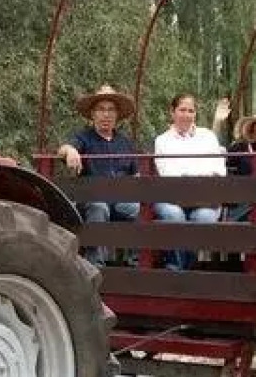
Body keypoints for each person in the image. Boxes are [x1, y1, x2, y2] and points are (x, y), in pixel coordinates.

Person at [57, 84, 142, 263]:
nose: (106, 114)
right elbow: (63, 149)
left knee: (140, 210)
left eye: (111, 110)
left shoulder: (125, 142)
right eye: (101, 109)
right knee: (99, 207)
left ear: (117, 115)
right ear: (93, 114)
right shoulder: (83, 137)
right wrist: (71, 151)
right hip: (92, 198)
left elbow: (136, 175)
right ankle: (96, 267)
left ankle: (136, 264)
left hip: (120, 199)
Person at [150, 93, 225, 270]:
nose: (186, 115)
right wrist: (200, 174)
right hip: (172, 196)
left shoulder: (207, 137)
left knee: (204, 218)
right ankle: (178, 269)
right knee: (173, 215)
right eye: (182, 110)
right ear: (172, 112)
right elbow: (168, 173)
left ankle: (184, 268)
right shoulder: (162, 140)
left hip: (204, 198)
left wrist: (193, 175)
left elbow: (218, 169)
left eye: (191, 111)